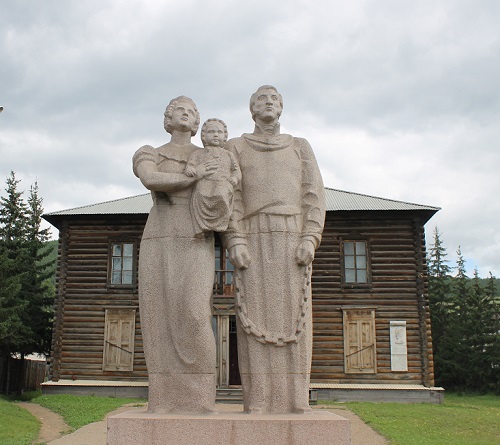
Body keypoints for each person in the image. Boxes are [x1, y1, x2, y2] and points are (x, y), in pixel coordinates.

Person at [222, 85, 326, 414]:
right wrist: (234, 238)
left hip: (292, 234)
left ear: (281, 108)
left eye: (274, 99)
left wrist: (310, 236)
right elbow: (231, 196)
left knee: (295, 318)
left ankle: (296, 399)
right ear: (251, 109)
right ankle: (258, 400)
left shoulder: (299, 146)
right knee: (255, 316)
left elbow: (314, 194)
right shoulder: (235, 147)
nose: (268, 103)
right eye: (261, 99)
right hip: (252, 235)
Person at [132, 96, 218, 413]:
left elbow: (225, 189)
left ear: (197, 123)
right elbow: (151, 179)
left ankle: (199, 399)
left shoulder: (210, 154)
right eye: (179, 109)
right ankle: (164, 398)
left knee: (195, 313)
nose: (187, 112)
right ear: (168, 119)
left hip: (196, 234)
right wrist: (192, 177)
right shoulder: (149, 152)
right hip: (159, 233)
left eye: (193, 111)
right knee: (159, 316)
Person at [185, 118, 241, 237]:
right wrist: (190, 169)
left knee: (221, 193)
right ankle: (202, 225)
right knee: (201, 192)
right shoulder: (198, 153)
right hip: (204, 182)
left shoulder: (228, 154)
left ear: (225, 136)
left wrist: (235, 178)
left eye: (219, 132)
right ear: (204, 136)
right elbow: (191, 165)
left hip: (222, 182)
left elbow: (236, 171)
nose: (216, 135)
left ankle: (222, 222)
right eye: (211, 132)